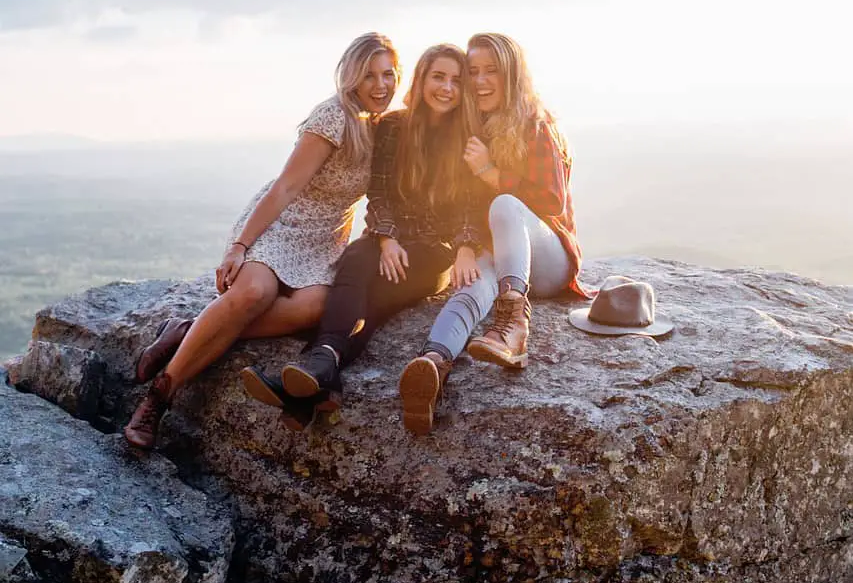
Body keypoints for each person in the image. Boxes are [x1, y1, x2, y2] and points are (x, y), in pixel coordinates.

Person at [124, 32, 401, 449]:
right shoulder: (332, 117)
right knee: (253, 292)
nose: (381, 86)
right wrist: (239, 246)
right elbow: (286, 188)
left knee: (316, 307)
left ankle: (186, 330)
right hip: (283, 224)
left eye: (388, 74)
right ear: (351, 79)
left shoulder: (384, 128)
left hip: (325, 238)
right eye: (369, 76)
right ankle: (158, 398)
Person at [243, 43, 481, 425]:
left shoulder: (470, 135)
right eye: (438, 76)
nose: (447, 88)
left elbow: (473, 202)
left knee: (376, 295)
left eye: (456, 80)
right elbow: (380, 192)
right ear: (421, 80)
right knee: (354, 262)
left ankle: (312, 383)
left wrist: (467, 247)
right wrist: (386, 239)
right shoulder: (393, 127)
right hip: (388, 239)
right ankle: (323, 376)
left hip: (434, 251)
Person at [398, 32, 587, 435]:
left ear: (512, 76)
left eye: (492, 72)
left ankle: (513, 325)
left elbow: (551, 203)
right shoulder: (475, 128)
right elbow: (464, 203)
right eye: (473, 72)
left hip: (547, 259)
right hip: (503, 258)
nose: (480, 81)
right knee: (468, 284)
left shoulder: (537, 124)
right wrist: (465, 247)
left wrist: (490, 172)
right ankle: (433, 364)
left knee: (503, 205)